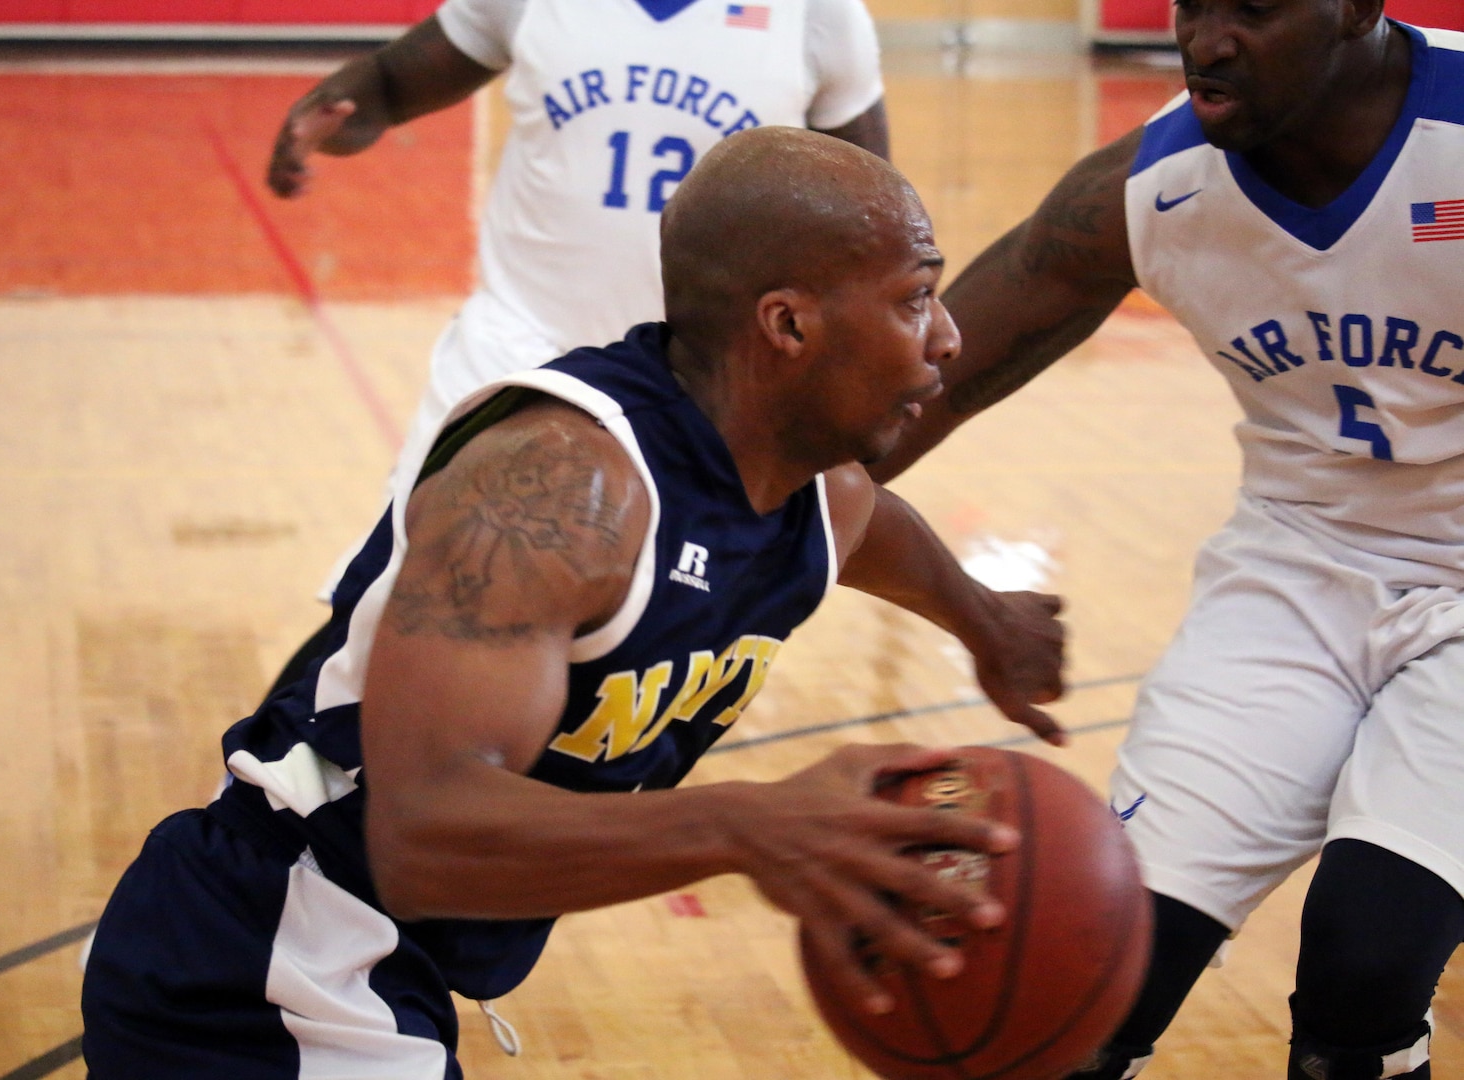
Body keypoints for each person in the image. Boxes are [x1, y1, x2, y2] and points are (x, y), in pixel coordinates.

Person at [81, 128, 1070, 1078]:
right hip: (268, 958)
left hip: (375, 969)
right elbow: (424, 837)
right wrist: (751, 827)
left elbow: (870, 528)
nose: (948, 337)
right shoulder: (559, 486)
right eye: (915, 299)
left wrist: (986, 620)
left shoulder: (818, 493)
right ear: (789, 324)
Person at [867, 1, 1464, 1076]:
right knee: (1085, 975)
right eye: (1194, 4)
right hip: (1295, 577)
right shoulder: (1148, 191)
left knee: (1365, 963)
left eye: (1254, 10)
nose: (1207, 39)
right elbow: (906, 403)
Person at [264, 0, 891, 633]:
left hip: (693, 384)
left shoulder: (817, 15)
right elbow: (392, 82)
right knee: (402, 595)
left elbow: (875, 212)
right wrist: (331, 112)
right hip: (516, 347)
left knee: (627, 633)